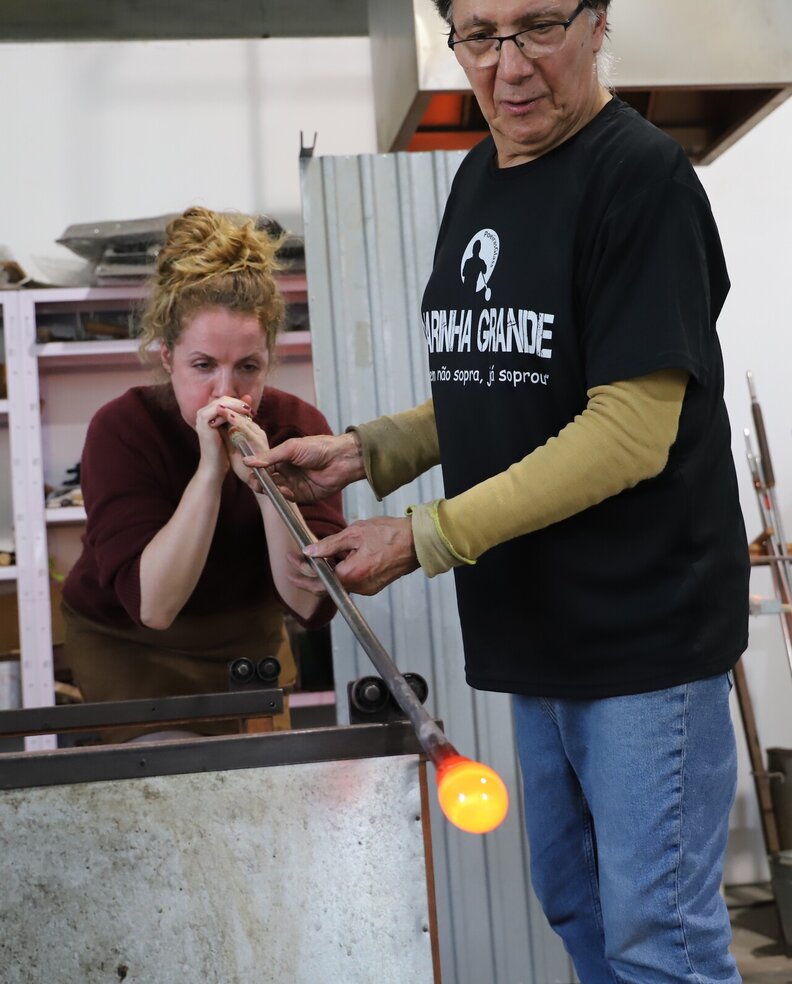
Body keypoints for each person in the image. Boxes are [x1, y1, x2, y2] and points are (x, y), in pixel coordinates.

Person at [224, 2, 752, 980]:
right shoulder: (481, 176)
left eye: (539, 26)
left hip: (644, 635)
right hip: (537, 627)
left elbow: (628, 433)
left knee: (658, 939)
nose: (509, 66)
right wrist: (364, 451)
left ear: (597, 24)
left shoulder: (640, 181)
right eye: (479, 35)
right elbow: (504, 376)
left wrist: (423, 534)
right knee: (577, 904)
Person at [62, 207, 345, 741]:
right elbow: (154, 607)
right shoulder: (123, 429)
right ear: (167, 356)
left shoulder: (297, 429)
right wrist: (209, 474)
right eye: (203, 366)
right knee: (161, 767)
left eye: (248, 367)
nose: (226, 392)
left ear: (269, 360)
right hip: (128, 641)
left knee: (260, 776)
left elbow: (310, 602)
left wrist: (266, 485)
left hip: (247, 637)